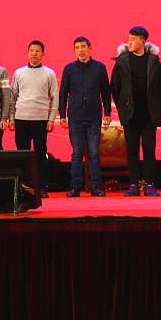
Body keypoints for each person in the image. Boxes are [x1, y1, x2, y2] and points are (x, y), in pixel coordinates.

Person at [111, 26, 161, 197]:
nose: (129, 42)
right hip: (130, 115)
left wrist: (156, 106)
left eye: (133, 39)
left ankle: (149, 185)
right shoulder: (122, 61)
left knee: (149, 151)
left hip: (149, 114)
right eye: (129, 38)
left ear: (142, 41)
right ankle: (134, 185)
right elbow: (115, 87)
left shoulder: (154, 61)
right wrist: (123, 107)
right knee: (132, 152)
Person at [59, 36, 111, 198]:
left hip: (94, 117)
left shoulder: (99, 68)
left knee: (94, 153)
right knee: (77, 153)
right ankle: (75, 188)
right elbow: (63, 94)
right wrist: (62, 115)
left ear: (90, 48)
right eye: (77, 48)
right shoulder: (69, 69)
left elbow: (106, 92)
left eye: (83, 47)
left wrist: (108, 112)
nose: (80, 50)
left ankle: (95, 187)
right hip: (75, 118)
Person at [10, 41, 58, 197]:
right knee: (22, 154)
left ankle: (42, 187)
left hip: (40, 119)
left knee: (40, 154)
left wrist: (51, 119)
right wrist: (11, 117)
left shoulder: (49, 73)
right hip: (21, 118)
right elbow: (12, 97)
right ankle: (23, 187)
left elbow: (54, 97)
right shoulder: (19, 73)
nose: (34, 53)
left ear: (43, 54)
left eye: (37, 51)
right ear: (27, 53)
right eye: (31, 50)